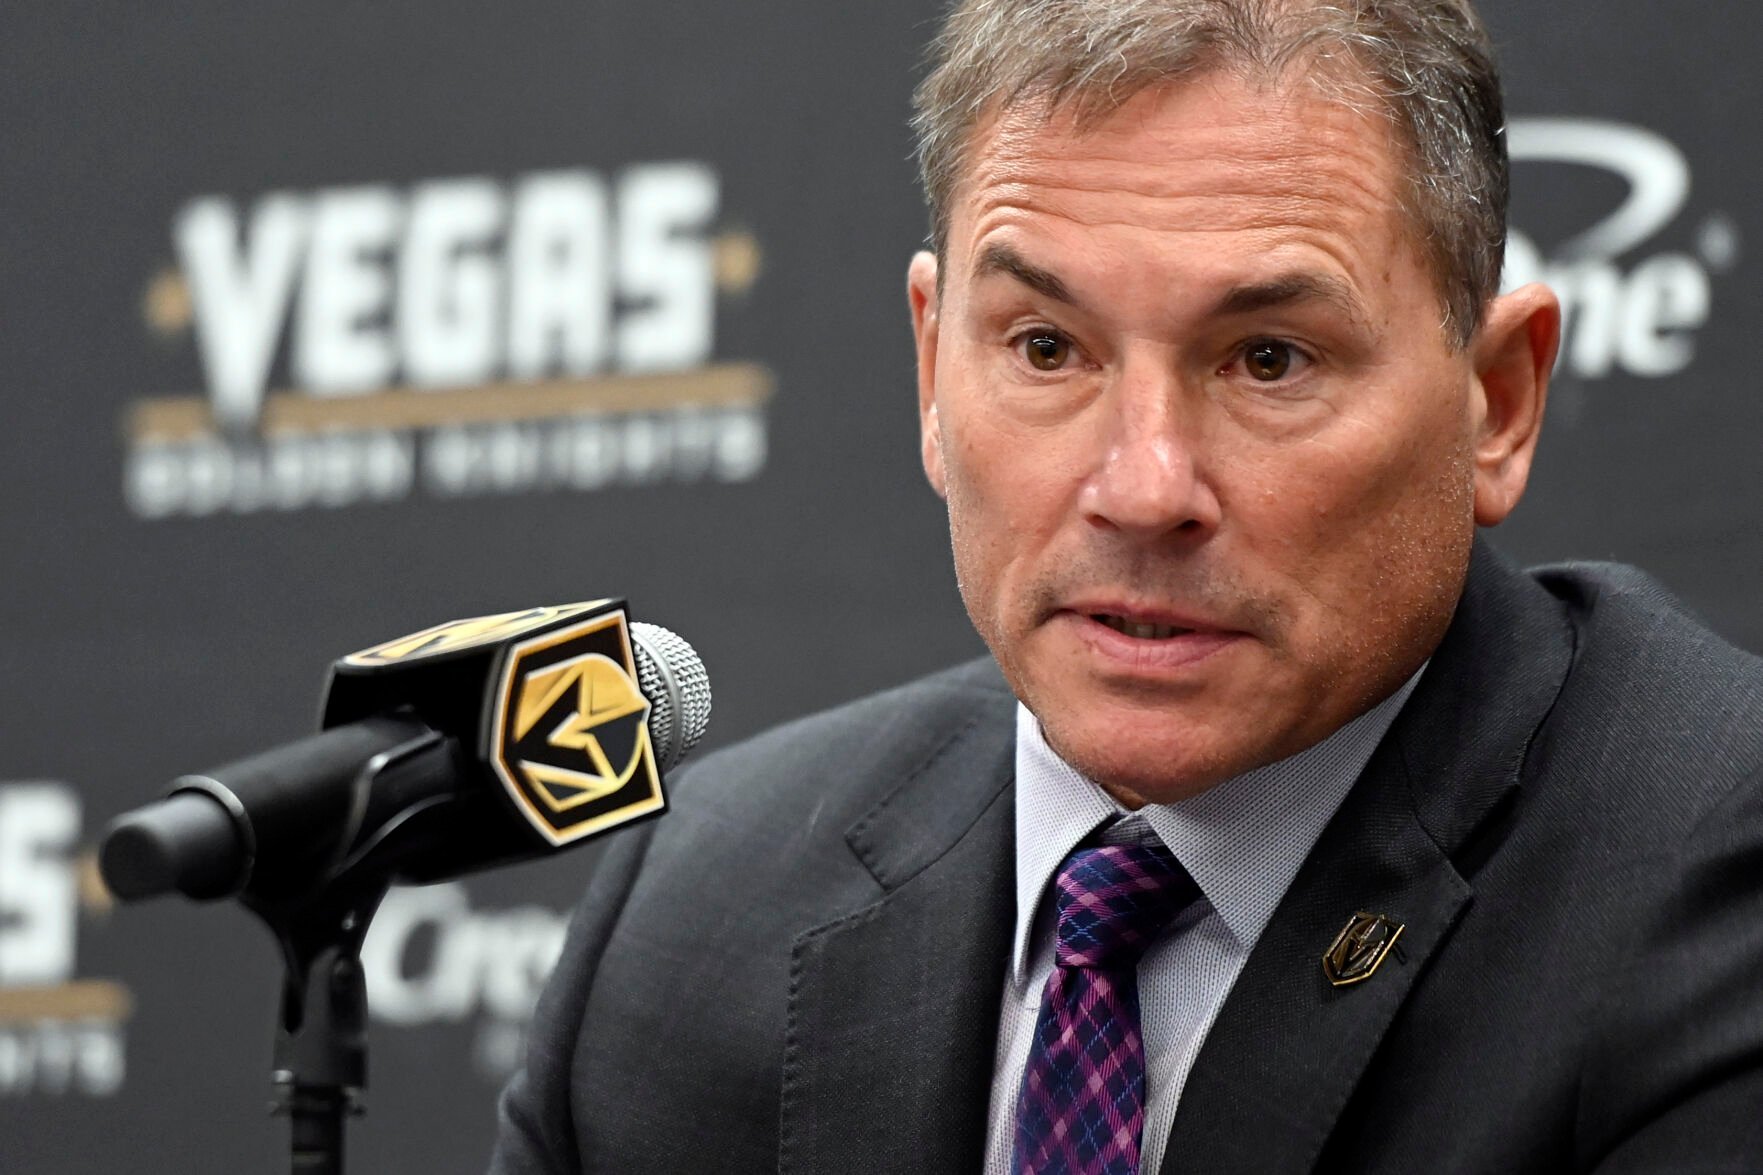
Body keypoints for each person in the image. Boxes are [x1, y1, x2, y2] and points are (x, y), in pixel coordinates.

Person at [490, 1, 1763, 1171]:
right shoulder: (690, 915)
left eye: (1268, 358)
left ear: (1497, 399)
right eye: (1046, 347)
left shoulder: (1706, 880)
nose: (1144, 487)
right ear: (933, 371)